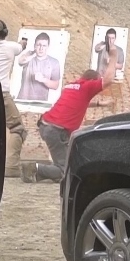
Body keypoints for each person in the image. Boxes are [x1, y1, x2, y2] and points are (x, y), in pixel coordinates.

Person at [20, 46, 118, 184]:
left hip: (47, 125)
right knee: (65, 171)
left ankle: (37, 174)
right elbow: (108, 80)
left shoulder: (71, 86)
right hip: (57, 131)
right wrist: (113, 57)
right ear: (92, 81)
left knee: (65, 161)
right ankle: (35, 168)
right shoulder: (88, 87)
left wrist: (98, 104)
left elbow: (79, 102)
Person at [0, 19, 28, 178]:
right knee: (17, 128)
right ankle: (11, 168)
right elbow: (21, 47)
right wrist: (24, 42)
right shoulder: (10, 47)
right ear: (4, 33)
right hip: (1, 93)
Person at [17, 32, 61, 101]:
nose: (41, 48)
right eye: (38, 45)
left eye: (44, 46)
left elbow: (55, 85)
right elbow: (20, 62)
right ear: (34, 46)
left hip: (40, 103)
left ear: (48, 46)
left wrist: (43, 79)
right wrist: (33, 53)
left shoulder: (54, 62)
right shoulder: (29, 56)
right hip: (22, 100)